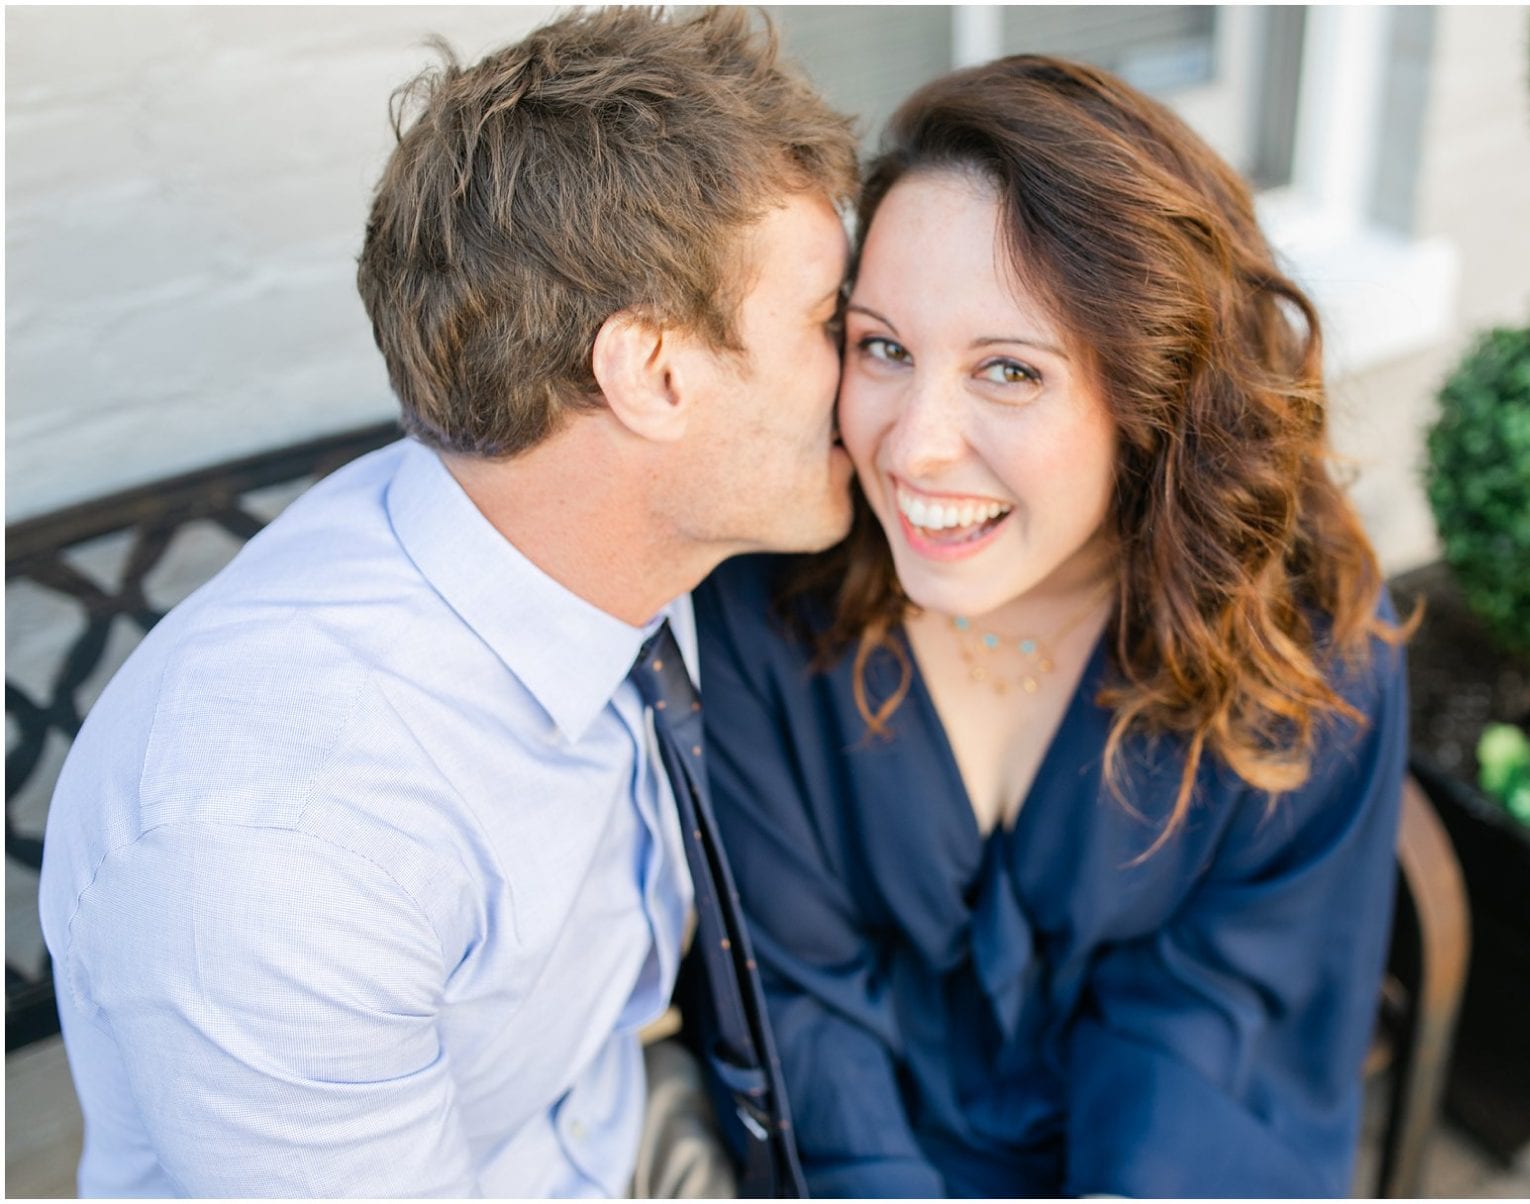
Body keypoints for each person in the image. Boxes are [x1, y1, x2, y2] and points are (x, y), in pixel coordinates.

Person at [37, 8, 855, 1197]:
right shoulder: (286, 845)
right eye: (830, 321)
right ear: (653, 371)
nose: (871, 355)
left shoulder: (610, 546)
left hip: (618, 1127)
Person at [695, 55, 1412, 1197]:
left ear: (1157, 394)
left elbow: (1225, 1020)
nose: (913, 445)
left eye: (1010, 371)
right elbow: (796, 993)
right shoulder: (769, 595)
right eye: (883, 346)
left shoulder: (1303, 633)